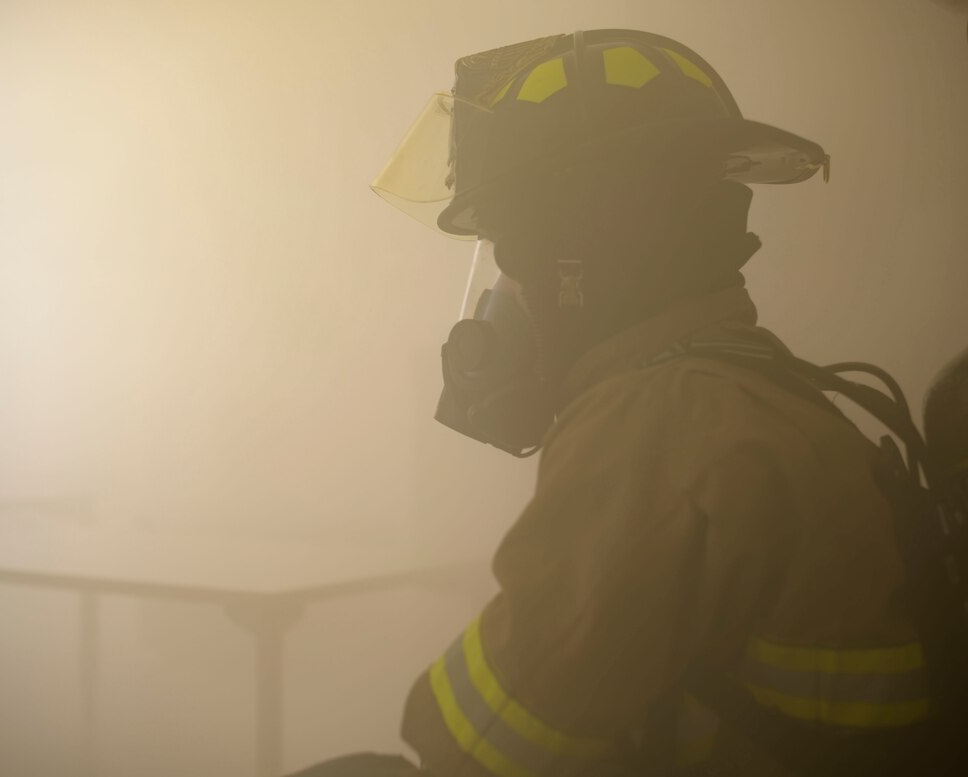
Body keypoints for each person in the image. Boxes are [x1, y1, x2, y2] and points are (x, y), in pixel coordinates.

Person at [333, 29, 961, 776]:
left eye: (509, 257)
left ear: (573, 264)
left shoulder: (662, 424)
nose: (501, 298)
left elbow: (481, 746)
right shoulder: (750, 391)